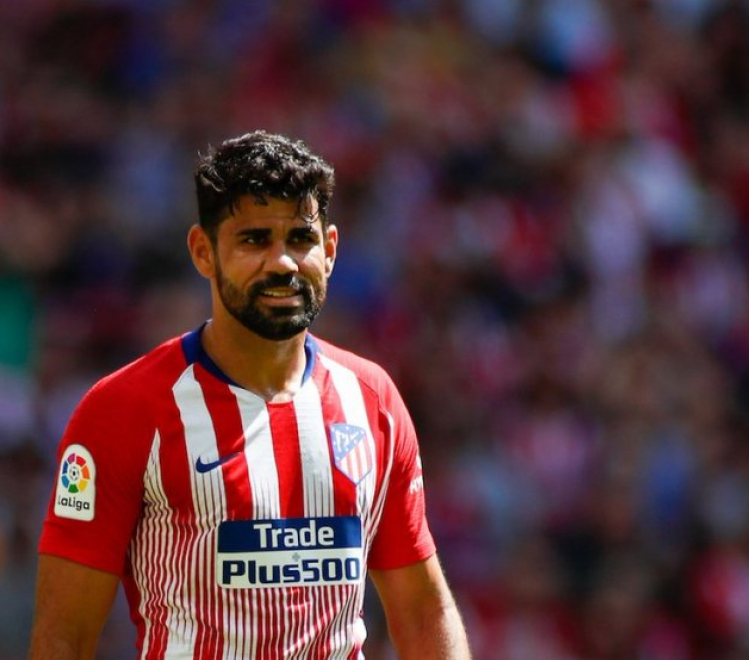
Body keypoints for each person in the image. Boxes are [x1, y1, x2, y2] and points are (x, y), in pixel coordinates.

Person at [28, 130, 472, 660]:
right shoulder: (122, 410)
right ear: (203, 252)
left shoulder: (372, 401)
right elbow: (65, 636)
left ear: (330, 250)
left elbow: (423, 611)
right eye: (255, 240)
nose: (282, 263)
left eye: (301, 239)